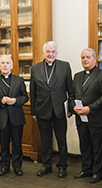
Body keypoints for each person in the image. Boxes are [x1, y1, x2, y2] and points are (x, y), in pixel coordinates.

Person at [30, 41, 72, 178]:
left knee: (61, 140)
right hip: (42, 109)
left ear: (56, 53)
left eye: (53, 51)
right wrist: (33, 111)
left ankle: (62, 166)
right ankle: (46, 165)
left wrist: (70, 108)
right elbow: (33, 91)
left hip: (59, 110)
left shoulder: (64, 66)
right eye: (48, 51)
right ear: (43, 53)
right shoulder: (35, 68)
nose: (50, 54)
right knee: (45, 140)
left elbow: (70, 89)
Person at [69, 48, 102, 183]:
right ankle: (86, 169)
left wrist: (90, 108)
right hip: (80, 118)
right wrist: (73, 107)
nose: (85, 60)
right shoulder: (77, 76)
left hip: (96, 117)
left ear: (95, 58)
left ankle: (98, 172)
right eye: (83, 58)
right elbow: (71, 95)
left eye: (88, 57)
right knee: (84, 145)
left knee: (98, 147)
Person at [0, 55, 29, 176]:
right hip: (2, 118)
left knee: (17, 143)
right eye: (2, 63)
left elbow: (25, 97)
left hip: (16, 117)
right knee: (4, 144)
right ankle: (4, 166)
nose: (5, 65)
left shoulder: (19, 80)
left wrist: (15, 101)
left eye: (7, 63)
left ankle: (17, 166)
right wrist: (1, 101)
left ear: (12, 66)